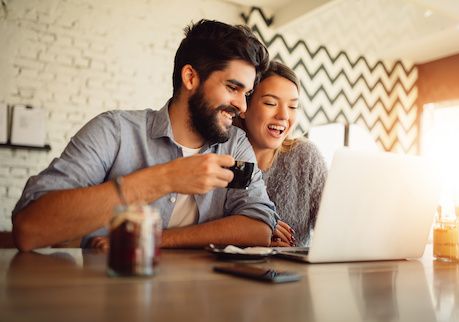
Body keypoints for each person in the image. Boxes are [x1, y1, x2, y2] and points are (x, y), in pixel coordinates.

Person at [12, 19, 284, 251]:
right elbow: (29, 229)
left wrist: (154, 239)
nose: (242, 105)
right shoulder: (114, 131)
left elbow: (258, 227)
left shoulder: (235, 145)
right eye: (232, 87)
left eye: (246, 93)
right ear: (191, 78)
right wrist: (166, 178)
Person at [236, 61, 328, 247]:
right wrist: (257, 236)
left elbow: (334, 228)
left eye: (293, 107)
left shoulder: (306, 157)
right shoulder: (222, 152)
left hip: (297, 275)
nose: (284, 115)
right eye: (271, 103)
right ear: (245, 107)